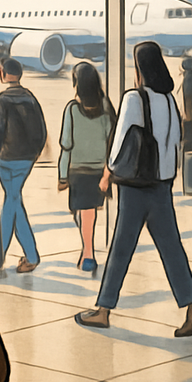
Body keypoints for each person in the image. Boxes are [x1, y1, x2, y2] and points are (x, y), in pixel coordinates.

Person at [76, 42, 192, 337]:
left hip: (136, 187)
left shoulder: (134, 99)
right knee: (172, 247)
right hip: (162, 186)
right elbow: (175, 139)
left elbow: (120, 137)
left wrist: (107, 173)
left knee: (121, 248)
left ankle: (103, 310)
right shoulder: (170, 101)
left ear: (140, 69)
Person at [0, 58, 47, 273]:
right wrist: (33, 155)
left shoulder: (2, 100)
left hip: (7, 161)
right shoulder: (30, 99)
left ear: (2, 73)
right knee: (14, 201)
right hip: (25, 161)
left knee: (11, 203)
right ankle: (29, 255)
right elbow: (42, 132)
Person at [57, 62, 115, 273]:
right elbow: (112, 142)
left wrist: (62, 175)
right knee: (86, 211)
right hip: (100, 170)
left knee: (85, 211)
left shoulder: (72, 109)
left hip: (78, 170)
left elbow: (66, 145)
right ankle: (86, 249)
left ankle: (88, 254)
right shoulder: (106, 107)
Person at [180, 56, 192, 158]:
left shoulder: (188, 76)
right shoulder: (191, 75)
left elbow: (188, 96)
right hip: (189, 110)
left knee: (188, 128)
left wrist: (187, 114)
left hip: (187, 111)